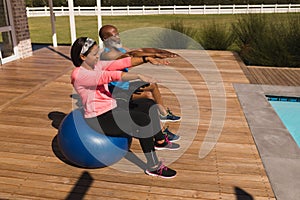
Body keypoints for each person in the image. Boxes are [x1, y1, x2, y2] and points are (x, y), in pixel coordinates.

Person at [70, 37, 179, 178]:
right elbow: (108, 76)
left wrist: (146, 59)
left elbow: (120, 63)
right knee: (143, 120)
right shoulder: (78, 74)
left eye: (98, 52)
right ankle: (153, 166)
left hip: (112, 108)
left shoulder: (95, 65)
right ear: (83, 56)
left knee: (149, 104)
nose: (98, 56)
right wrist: (138, 75)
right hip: (99, 118)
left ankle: (160, 141)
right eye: (94, 54)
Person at [99, 24, 181, 141]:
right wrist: (153, 56)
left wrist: (161, 52)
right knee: (148, 97)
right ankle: (161, 135)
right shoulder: (107, 55)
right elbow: (131, 55)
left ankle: (163, 114)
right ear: (105, 39)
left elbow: (140, 51)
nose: (118, 37)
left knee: (152, 85)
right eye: (114, 35)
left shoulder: (120, 49)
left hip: (126, 87)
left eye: (118, 34)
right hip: (118, 94)